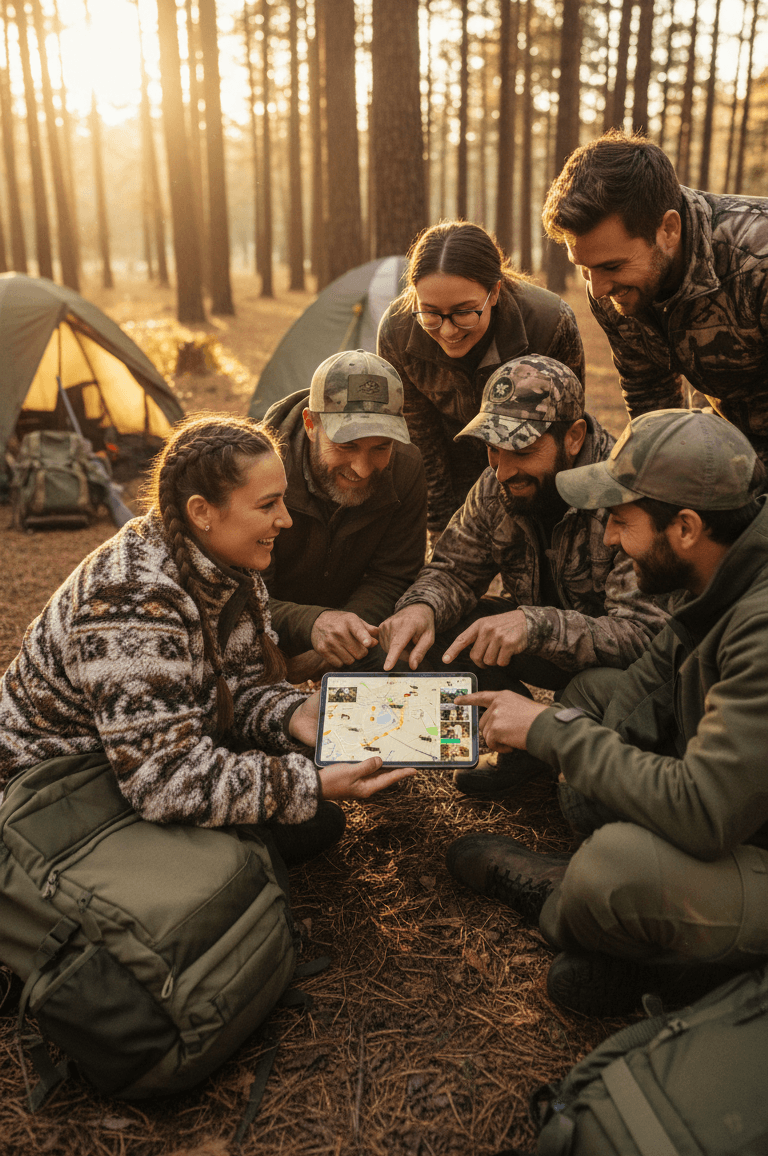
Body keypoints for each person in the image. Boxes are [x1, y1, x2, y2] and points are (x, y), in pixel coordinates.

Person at [446, 409, 768, 1018]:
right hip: (740, 799)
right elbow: (653, 671)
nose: (610, 540)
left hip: (739, 828)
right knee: (595, 695)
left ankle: (584, 907)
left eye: (620, 522)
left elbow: (704, 812)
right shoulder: (728, 566)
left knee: (612, 869)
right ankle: (648, 941)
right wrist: (572, 737)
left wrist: (548, 730)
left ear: (688, 527)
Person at [0, 415, 414, 870]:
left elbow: (237, 688)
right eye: (268, 504)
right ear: (202, 512)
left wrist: (295, 714)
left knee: (311, 825)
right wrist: (311, 783)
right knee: (286, 833)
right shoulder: (130, 602)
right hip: (53, 791)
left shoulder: (230, 566)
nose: (286, 519)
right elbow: (162, 781)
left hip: (131, 763)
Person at [378, 357, 666, 799]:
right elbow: (453, 568)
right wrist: (422, 606)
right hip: (549, 645)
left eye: (522, 451)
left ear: (574, 437)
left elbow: (644, 638)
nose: (502, 470)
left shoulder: (626, 491)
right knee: (448, 626)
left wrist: (534, 625)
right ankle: (520, 747)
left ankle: (572, 749)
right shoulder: (497, 484)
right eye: (493, 449)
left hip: (624, 673)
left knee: (592, 689)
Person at [542, 128, 768, 468]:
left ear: (668, 230)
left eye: (612, 266)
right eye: (584, 267)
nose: (599, 289)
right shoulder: (610, 287)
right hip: (729, 445)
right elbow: (651, 398)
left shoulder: (758, 263)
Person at [377, 220, 585, 535]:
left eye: (464, 312)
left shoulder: (549, 324)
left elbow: (562, 436)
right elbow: (421, 441)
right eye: (430, 313)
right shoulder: (397, 330)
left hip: (532, 464)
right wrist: (441, 531)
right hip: (451, 458)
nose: (447, 331)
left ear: (495, 291)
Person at [263, 351, 427, 683]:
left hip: (359, 626)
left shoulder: (407, 467)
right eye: (347, 446)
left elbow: (393, 576)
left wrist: (344, 637)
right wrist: (311, 624)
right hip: (262, 629)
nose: (363, 469)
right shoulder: (260, 470)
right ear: (311, 424)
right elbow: (243, 592)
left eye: (380, 447)